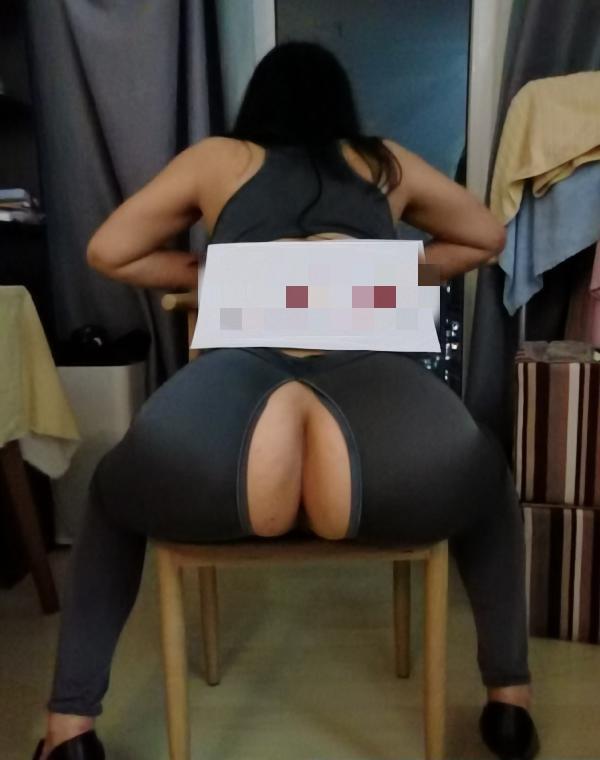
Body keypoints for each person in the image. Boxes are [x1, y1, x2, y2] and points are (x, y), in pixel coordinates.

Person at [33, 41, 539, 760]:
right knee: (486, 474)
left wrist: (212, 271)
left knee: (113, 490)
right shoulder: (382, 162)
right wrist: (389, 271)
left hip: (229, 460)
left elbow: (107, 250)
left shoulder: (219, 159)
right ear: (341, 105)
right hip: (382, 463)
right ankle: (510, 701)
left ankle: (69, 729)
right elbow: (485, 236)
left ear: (259, 104)